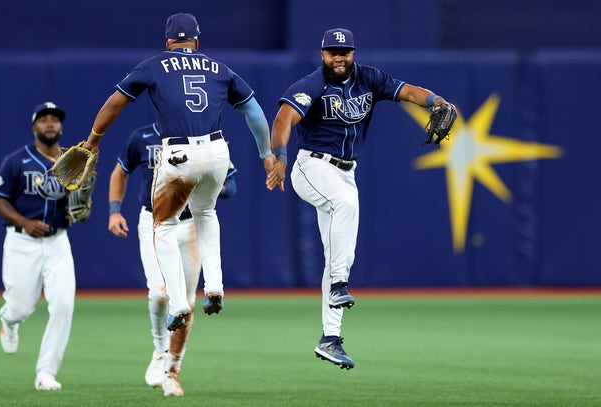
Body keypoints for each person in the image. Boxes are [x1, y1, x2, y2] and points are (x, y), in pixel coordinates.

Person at [267, 28, 455, 370]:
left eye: (346, 51)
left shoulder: (369, 78)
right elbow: (283, 118)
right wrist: (279, 156)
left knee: (336, 247)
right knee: (346, 206)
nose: (340, 57)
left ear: (353, 53)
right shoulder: (312, 85)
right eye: (333, 52)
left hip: (345, 172)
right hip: (311, 166)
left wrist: (437, 101)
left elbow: (410, 92)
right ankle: (340, 283)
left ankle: (330, 338)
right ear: (321, 55)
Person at [80, 13, 276, 334]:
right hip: (217, 152)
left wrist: (94, 139)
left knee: (163, 226)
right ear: (196, 41)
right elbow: (252, 108)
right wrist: (267, 155)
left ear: (168, 42)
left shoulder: (154, 65)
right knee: (207, 213)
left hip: (179, 152)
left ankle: (179, 303)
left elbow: (116, 103)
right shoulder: (219, 67)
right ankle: (214, 286)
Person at [108, 122, 237, 397]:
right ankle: (159, 349)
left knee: (186, 303)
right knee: (159, 294)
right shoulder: (141, 136)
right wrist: (114, 210)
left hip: (190, 224)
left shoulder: (201, 138)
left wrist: (210, 186)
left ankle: (172, 372)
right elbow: (120, 172)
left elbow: (231, 185)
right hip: (154, 221)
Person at [0, 101, 86, 390]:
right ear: (34, 127)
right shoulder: (17, 160)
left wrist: (80, 204)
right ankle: (9, 319)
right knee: (21, 307)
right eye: (43, 119)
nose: (49, 124)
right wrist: (24, 220)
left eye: (55, 120)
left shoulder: (71, 161)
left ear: (61, 126)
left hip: (57, 242)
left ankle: (46, 373)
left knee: (64, 306)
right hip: (22, 240)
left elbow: (79, 202)